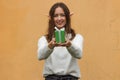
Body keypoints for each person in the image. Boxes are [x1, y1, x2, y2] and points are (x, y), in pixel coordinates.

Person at [37, 2, 84, 80]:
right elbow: (40, 56)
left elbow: (79, 54)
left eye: (62, 15)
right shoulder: (44, 39)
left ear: (68, 17)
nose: (59, 19)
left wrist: (69, 45)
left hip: (70, 78)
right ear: (51, 18)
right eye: (55, 16)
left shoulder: (77, 37)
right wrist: (50, 46)